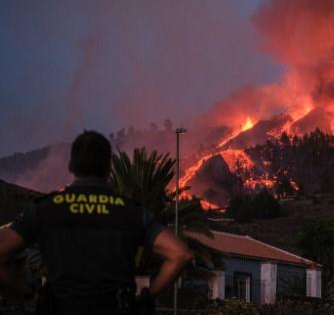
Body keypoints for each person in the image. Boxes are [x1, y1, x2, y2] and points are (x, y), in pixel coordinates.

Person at [0, 131, 193, 314]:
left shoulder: (45, 209)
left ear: (71, 166)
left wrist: (28, 294)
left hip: (61, 308)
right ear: (109, 166)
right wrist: (147, 296)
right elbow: (180, 254)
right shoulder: (131, 212)